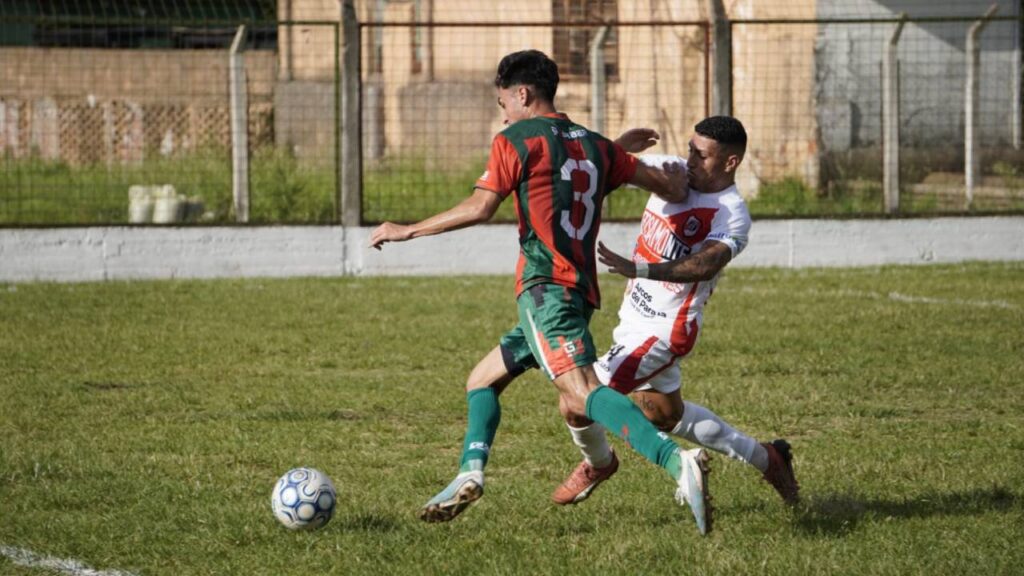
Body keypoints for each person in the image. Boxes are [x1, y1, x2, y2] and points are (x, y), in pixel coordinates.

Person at [369, 49, 713, 535]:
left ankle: (678, 464)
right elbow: (661, 187)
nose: (502, 112)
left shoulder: (515, 139)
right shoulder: (594, 146)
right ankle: (469, 473)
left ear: (522, 94)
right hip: (579, 292)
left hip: (546, 288)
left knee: (581, 391)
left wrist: (408, 229)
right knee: (482, 380)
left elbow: (481, 205)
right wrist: (624, 154)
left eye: (502, 101)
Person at [549, 116, 801, 510]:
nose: (690, 161)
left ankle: (597, 463)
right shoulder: (673, 173)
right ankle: (768, 458)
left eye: (701, 155)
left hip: (664, 331)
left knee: (577, 397)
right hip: (633, 319)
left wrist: (642, 269)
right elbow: (599, 173)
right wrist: (618, 148)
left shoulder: (731, 213)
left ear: (730, 163)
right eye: (689, 149)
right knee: (665, 416)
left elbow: (704, 265)